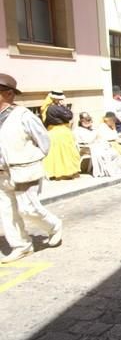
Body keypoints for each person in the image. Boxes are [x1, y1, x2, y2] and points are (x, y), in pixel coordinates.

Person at [0, 74, 63, 263]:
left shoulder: (24, 116)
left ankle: (54, 225)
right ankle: (21, 246)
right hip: (2, 173)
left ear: (8, 94)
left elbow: (44, 142)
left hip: (24, 170)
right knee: (7, 211)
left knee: (27, 209)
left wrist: (30, 159)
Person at [40, 91, 80, 180]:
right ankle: (65, 173)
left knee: (57, 155)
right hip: (61, 133)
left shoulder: (48, 108)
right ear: (56, 99)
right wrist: (63, 106)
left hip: (53, 132)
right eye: (61, 99)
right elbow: (69, 115)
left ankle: (56, 173)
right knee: (65, 154)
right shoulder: (54, 108)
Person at [73, 112, 121, 177]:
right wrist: (95, 136)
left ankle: (116, 170)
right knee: (103, 153)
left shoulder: (92, 129)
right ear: (81, 121)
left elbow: (100, 137)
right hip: (87, 147)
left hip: (96, 145)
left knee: (113, 152)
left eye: (89, 120)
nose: (88, 122)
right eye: (85, 120)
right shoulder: (78, 130)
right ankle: (106, 171)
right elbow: (86, 140)